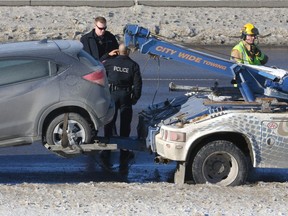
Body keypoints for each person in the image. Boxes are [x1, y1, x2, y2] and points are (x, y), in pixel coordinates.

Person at [102, 43, 142, 172]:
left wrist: (108, 55)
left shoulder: (109, 62)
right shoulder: (133, 65)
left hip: (112, 94)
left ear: (118, 52)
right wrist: (135, 98)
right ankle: (124, 150)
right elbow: (137, 85)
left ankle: (107, 147)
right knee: (125, 122)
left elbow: (98, 66)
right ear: (128, 52)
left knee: (110, 121)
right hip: (126, 95)